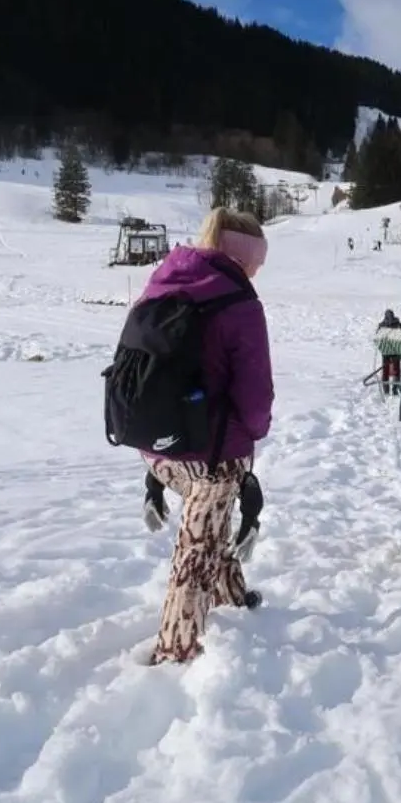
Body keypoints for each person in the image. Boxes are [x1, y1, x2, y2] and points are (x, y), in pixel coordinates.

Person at [136, 207, 274, 664]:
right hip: (211, 452)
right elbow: (254, 395)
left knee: (210, 526)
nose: (258, 271)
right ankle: (176, 650)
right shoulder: (239, 303)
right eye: (257, 261)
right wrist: (254, 433)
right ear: (241, 257)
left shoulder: (164, 281)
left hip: (155, 442)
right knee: (196, 552)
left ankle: (232, 595)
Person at [377, 308, 401, 395]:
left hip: (395, 350)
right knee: (386, 370)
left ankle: (395, 389)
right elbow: (378, 337)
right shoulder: (382, 325)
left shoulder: (398, 324)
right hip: (386, 351)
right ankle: (386, 390)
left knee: (395, 370)